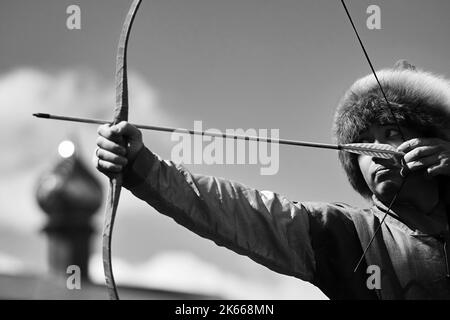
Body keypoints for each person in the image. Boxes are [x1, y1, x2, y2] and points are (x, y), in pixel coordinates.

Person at [95, 60, 450, 299]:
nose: (373, 152)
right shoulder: (345, 235)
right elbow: (242, 210)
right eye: (361, 143)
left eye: (390, 132)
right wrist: (141, 166)